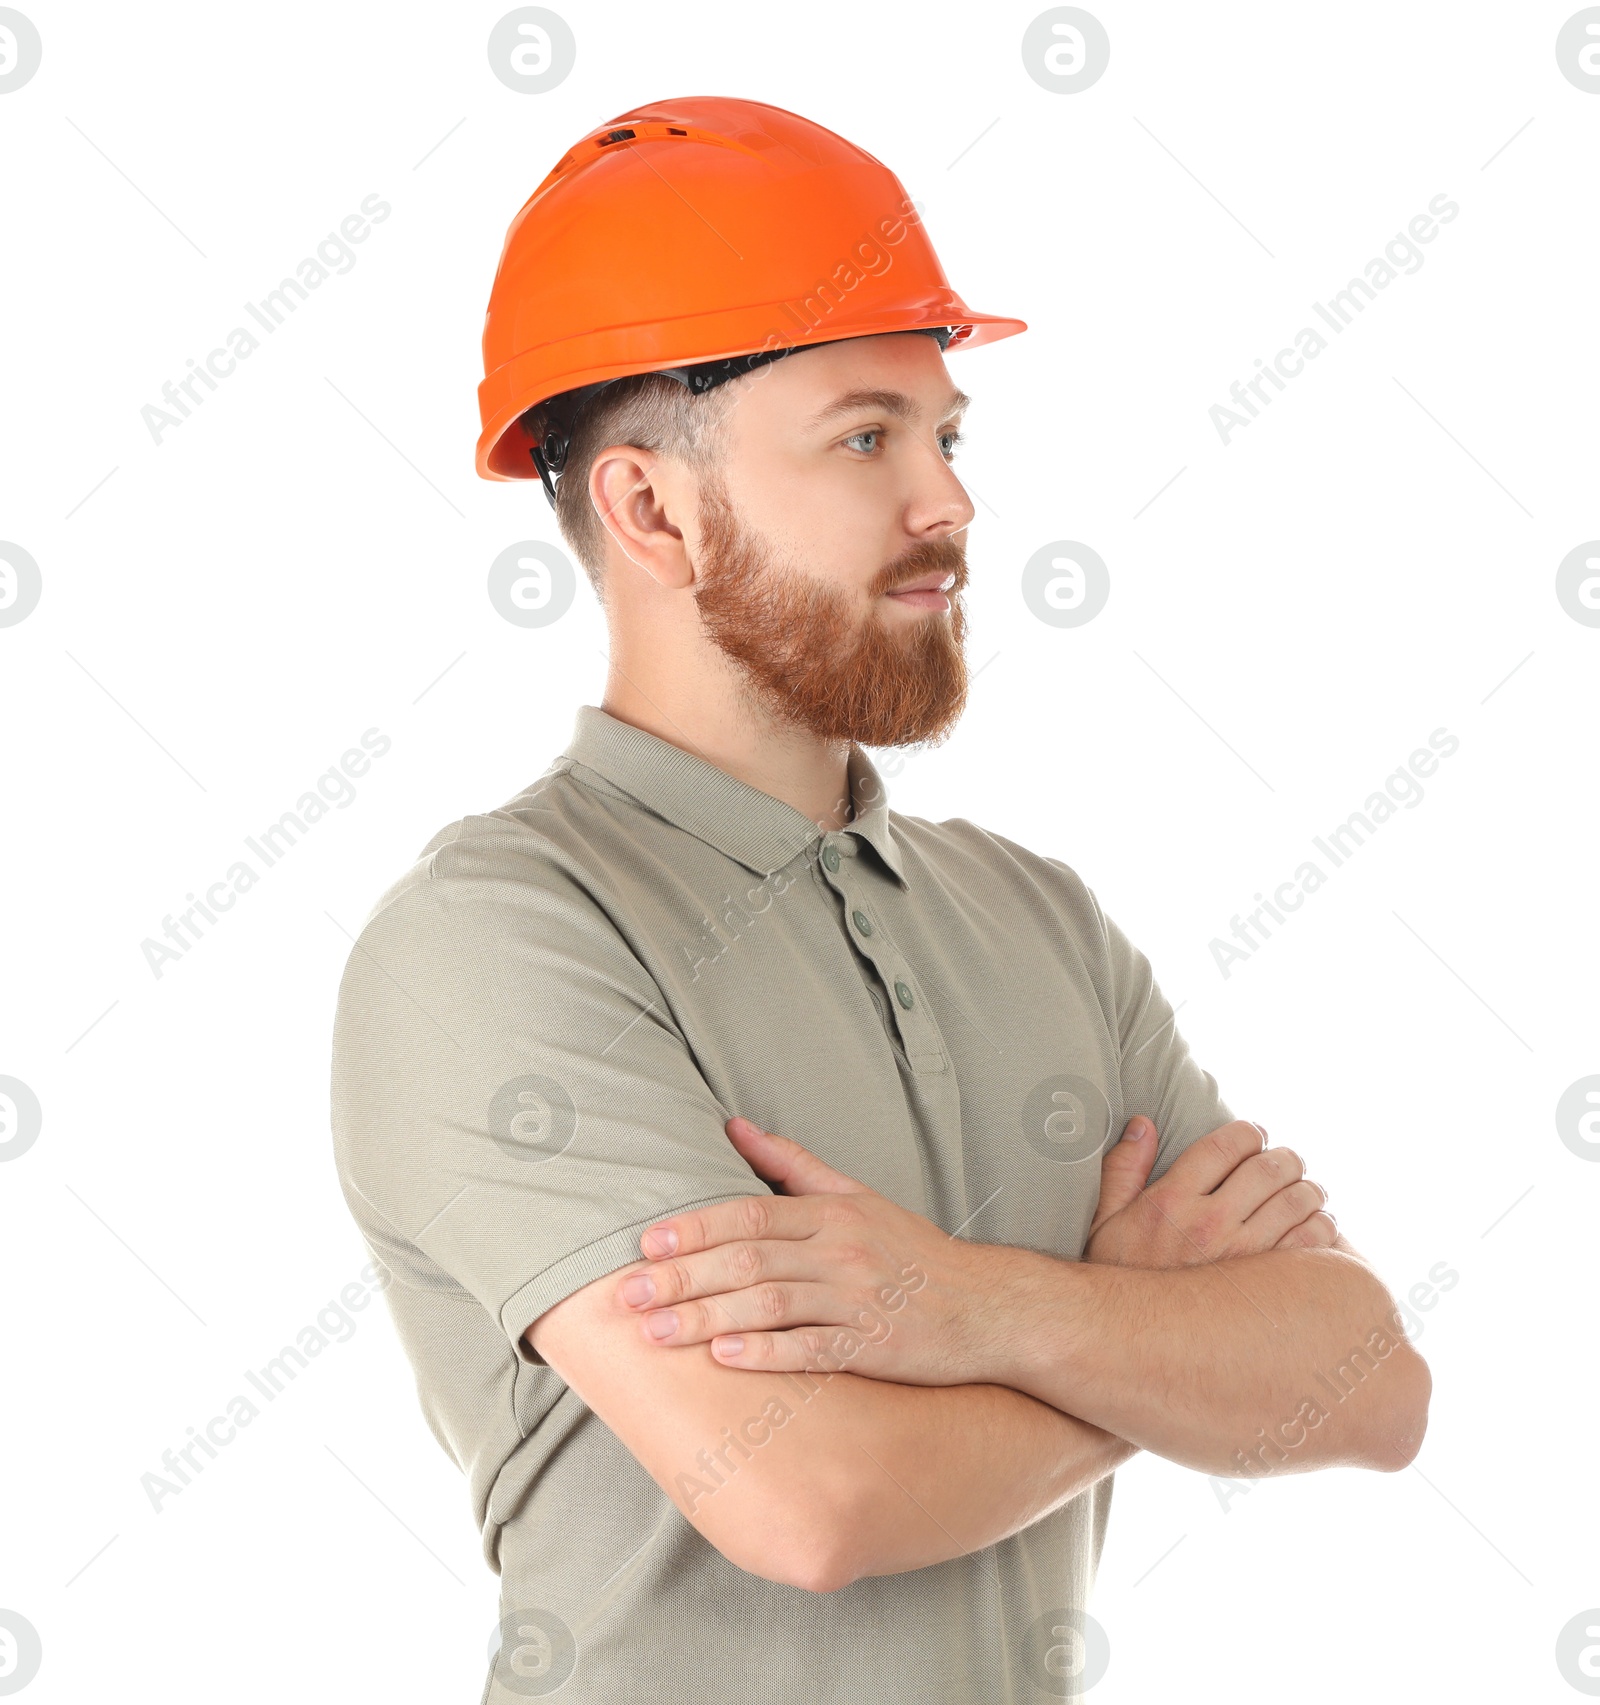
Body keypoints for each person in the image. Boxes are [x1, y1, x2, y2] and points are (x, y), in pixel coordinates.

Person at [329, 95, 1430, 1704]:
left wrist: (963, 1303)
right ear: (651, 509)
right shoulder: (498, 939)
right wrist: (1143, 1340)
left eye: (948, 435)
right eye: (866, 437)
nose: (952, 504)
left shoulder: (1036, 918)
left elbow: (1369, 1386)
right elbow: (813, 1497)